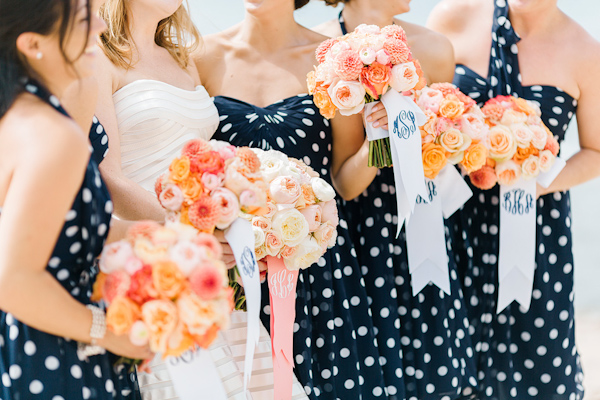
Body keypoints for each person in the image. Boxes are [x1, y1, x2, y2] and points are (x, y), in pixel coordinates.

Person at [194, 0, 408, 398]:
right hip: (229, 268)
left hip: (317, 272)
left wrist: (380, 141)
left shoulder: (333, 60)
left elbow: (345, 183)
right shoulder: (200, 57)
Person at [428, 0, 600, 398]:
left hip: (536, 228)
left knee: (537, 368)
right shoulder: (451, 15)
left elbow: (595, 151)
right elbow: (424, 113)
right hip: (452, 219)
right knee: (444, 359)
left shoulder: (586, 50)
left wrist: (533, 181)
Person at [312, 1, 479, 399]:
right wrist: (378, 138)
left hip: (426, 219)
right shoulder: (322, 47)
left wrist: (438, 135)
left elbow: (446, 153)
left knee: (434, 369)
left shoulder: (435, 48)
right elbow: (345, 184)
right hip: (363, 236)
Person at [0, 0, 153, 398]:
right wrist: (110, 334)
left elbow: (56, 234)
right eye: (84, 19)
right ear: (34, 44)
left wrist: (173, 238)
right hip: (58, 355)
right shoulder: (53, 135)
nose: (101, 25)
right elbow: (12, 281)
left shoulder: (16, 118)